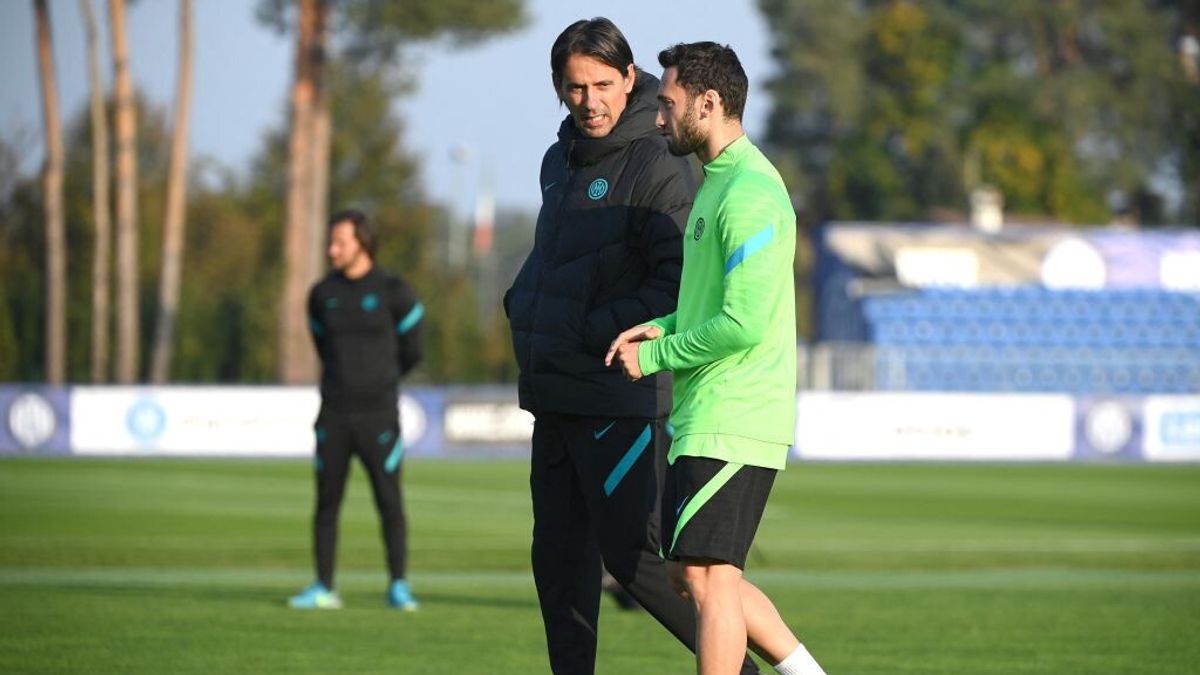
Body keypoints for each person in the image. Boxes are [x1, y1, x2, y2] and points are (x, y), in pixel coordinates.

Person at [505, 17, 759, 675]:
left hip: (620, 396)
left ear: (628, 78)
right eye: (573, 86)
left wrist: (594, 330)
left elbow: (677, 282)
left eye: (601, 84)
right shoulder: (556, 161)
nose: (588, 100)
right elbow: (554, 260)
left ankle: (743, 670)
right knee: (557, 563)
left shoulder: (658, 161)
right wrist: (523, 306)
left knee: (638, 560)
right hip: (556, 392)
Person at [606, 42, 827, 674]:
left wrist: (657, 359)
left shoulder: (751, 192)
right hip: (708, 411)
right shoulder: (714, 185)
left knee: (710, 579)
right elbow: (709, 308)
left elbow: (743, 323)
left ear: (709, 103)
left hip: (737, 413)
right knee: (689, 576)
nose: (657, 117)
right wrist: (660, 329)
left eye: (668, 104)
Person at [289, 208, 424, 611]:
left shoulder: (394, 291)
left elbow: (413, 351)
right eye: (331, 242)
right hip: (333, 415)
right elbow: (321, 344)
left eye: (339, 242)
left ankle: (398, 585)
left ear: (361, 243)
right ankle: (323, 586)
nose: (332, 250)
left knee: (389, 500)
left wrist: (379, 383)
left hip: (379, 416)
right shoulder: (321, 295)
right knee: (326, 502)